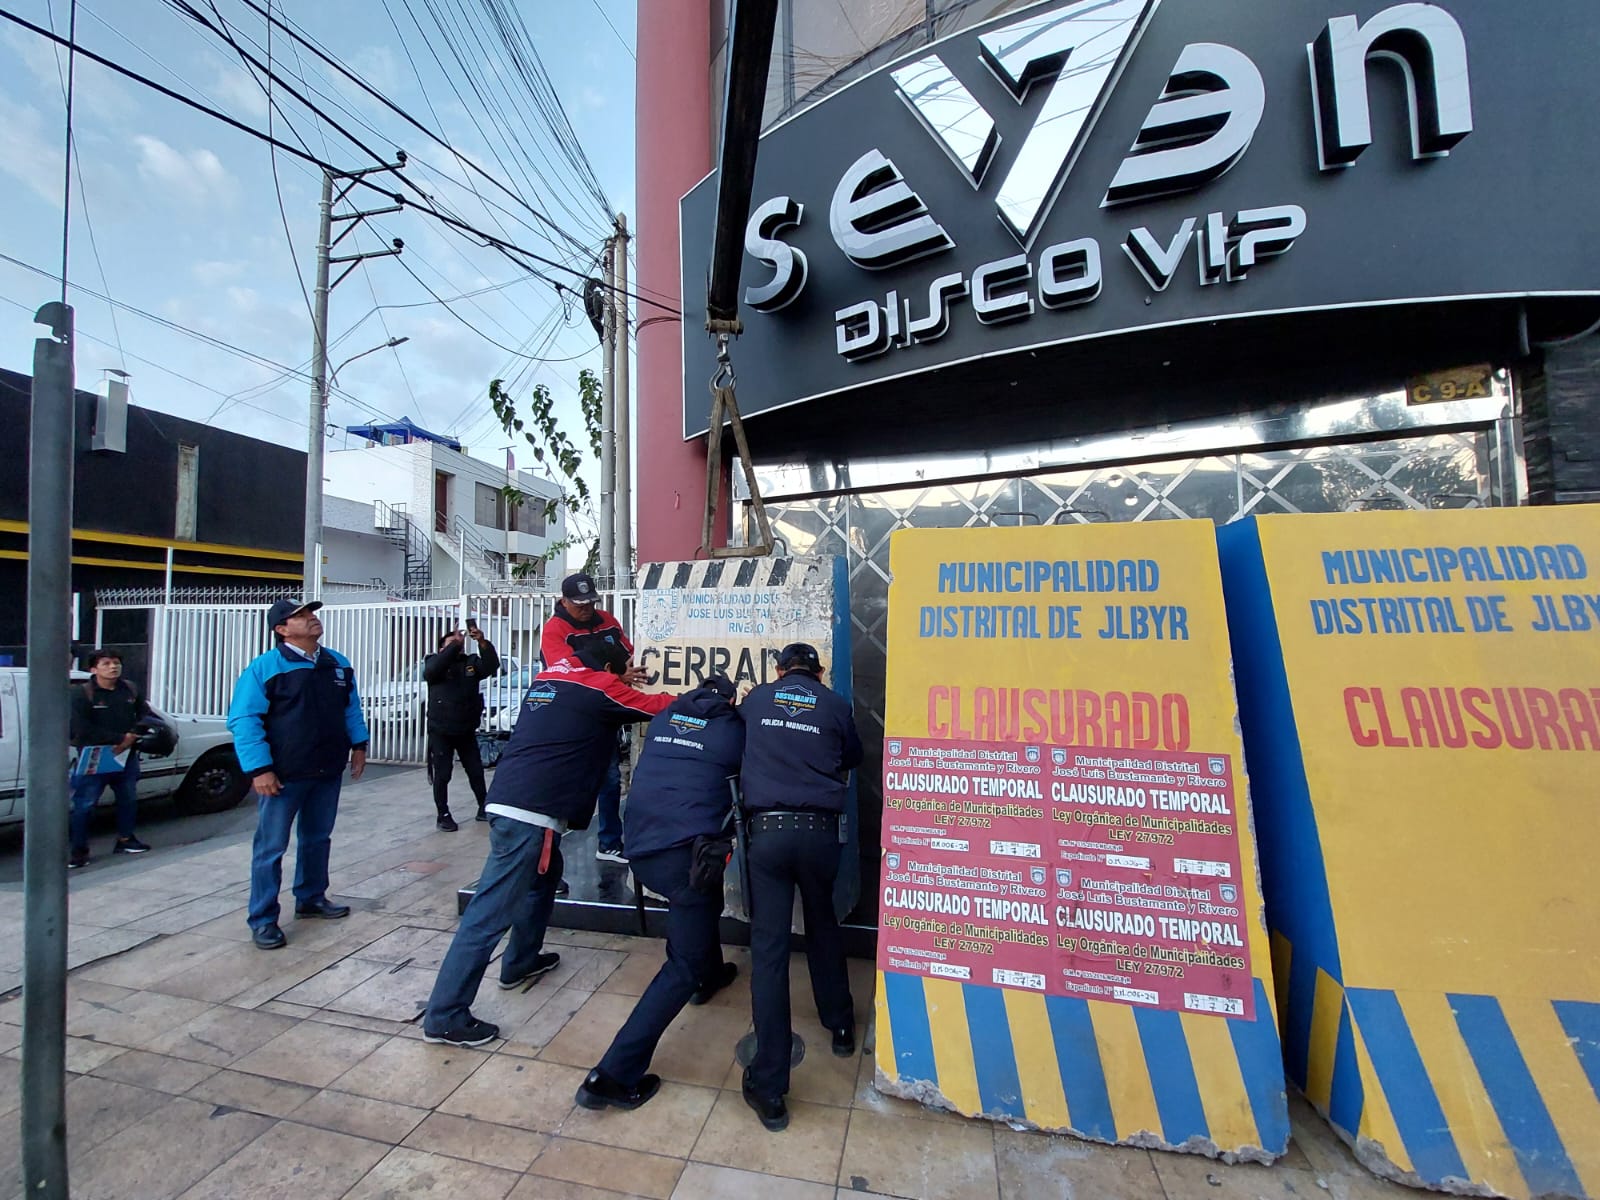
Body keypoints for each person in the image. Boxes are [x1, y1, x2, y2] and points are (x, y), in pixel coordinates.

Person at [421, 641, 674, 1048]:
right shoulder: (599, 686)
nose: (628, 673)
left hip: (510, 798)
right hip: (531, 816)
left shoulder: (548, 679)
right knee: (488, 912)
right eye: (624, 667)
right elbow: (660, 706)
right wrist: (712, 698)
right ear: (609, 667)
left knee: (546, 877)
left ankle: (521, 961)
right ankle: (445, 1014)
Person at [576, 676, 745, 1111]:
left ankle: (711, 974)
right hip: (683, 857)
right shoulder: (732, 727)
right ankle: (611, 1076)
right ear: (728, 700)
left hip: (641, 848)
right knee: (681, 964)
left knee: (703, 902)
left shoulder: (668, 716)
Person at [737, 642, 862, 1132]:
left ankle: (770, 1089)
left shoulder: (758, 700)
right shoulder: (835, 705)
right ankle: (842, 1026)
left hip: (767, 834)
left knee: (768, 950)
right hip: (819, 836)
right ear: (820, 671)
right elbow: (852, 755)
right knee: (823, 927)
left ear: (780, 669)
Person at [228, 598, 369, 951]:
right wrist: (260, 769)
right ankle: (262, 919)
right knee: (271, 848)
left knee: (318, 837)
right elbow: (244, 720)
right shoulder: (266, 668)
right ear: (281, 630)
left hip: (326, 769)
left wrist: (359, 744)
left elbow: (351, 707)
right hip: (283, 775)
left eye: (311, 614)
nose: (311, 620)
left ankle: (311, 897)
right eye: (301, 617)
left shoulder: (337, 663)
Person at [540, 571, 646, 864]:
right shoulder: (555, 630)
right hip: (569, 718)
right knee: (565, 783)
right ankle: (548, 854)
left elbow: (630, 654)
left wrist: (628, 673)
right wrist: (615, 676)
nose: (586, 608)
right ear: (563, 600)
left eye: (590, 602)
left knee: (611, 778)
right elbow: (566, 674)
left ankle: (609, 841)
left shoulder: (608, 621)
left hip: (603, 713)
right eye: (579, 603)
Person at [67, 649, 153, 868]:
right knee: (85, 804)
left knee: (128, 798)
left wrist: (132, 736)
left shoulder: (130, 690)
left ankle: (125, 839)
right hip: (95, 755)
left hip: (127, 755)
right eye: (106, 664)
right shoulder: (82, 694)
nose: (113, 667)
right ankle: (79, 850)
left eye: (116, 663)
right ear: (94, 669)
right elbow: (81, 728)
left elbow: (144, 714)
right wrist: (119, 739)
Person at [424, 622, 500, 831]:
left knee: (475, 770)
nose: (458, 646)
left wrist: (482, 642)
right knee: (443, 773)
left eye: (460, 643)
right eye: (451, 643)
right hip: (441, 730)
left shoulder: (470, 663)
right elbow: (431, 671)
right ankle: (443, 814)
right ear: (442, 649)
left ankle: (483, 807)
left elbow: (492, 666)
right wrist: (452, 647)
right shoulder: (434, 663)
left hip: (465, 729)